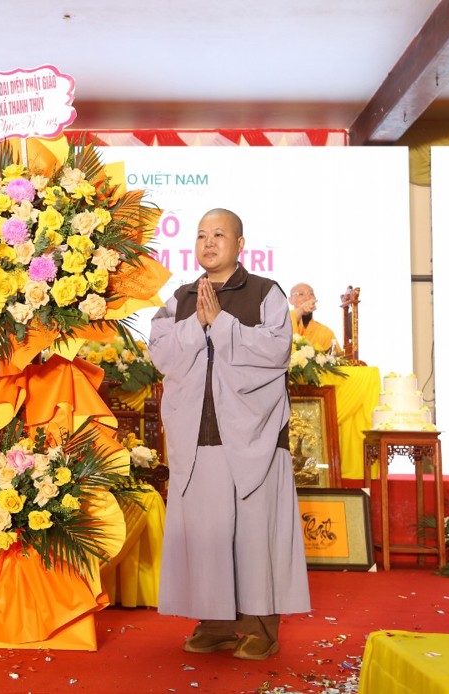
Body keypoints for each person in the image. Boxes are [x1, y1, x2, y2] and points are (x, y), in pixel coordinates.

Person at [149, 208, 310, 660]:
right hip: (198, 433)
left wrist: (221, 323)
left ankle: (261, 628)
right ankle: (215, 622)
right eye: (202, 235)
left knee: (256, 534)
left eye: (219, 234)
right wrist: (198, 324)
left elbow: (276, 350)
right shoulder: (181, 298)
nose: (209, 242)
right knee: (209, 533)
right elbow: (160, 353)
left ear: (240, 244)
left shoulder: (264, 292)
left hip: (253, 435)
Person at [288, 282, 339, 353]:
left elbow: (338, 357)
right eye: (301, 294)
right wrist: (301, 309)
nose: (307, 298)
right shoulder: (281, 323)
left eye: (311, 294)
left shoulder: (325, 332)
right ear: (290, 300)